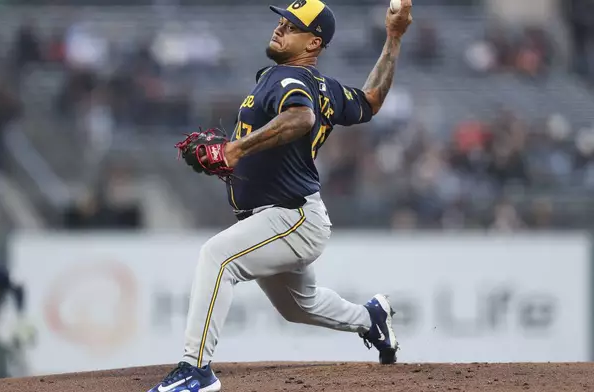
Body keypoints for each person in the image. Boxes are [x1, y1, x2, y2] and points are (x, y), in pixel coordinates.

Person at [150, 1, 412, 391]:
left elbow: (301, 117)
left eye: (292, 25)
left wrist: (235, 150)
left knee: (217, 258)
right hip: (286, 216)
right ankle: (370, 318)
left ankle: (196, 370)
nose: (280, 27)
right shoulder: (324, 87)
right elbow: (371, 99)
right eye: (282, 20)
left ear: (314, 42)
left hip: (292, 217)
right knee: (298, 306)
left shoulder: (289, 78)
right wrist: (393, 37)